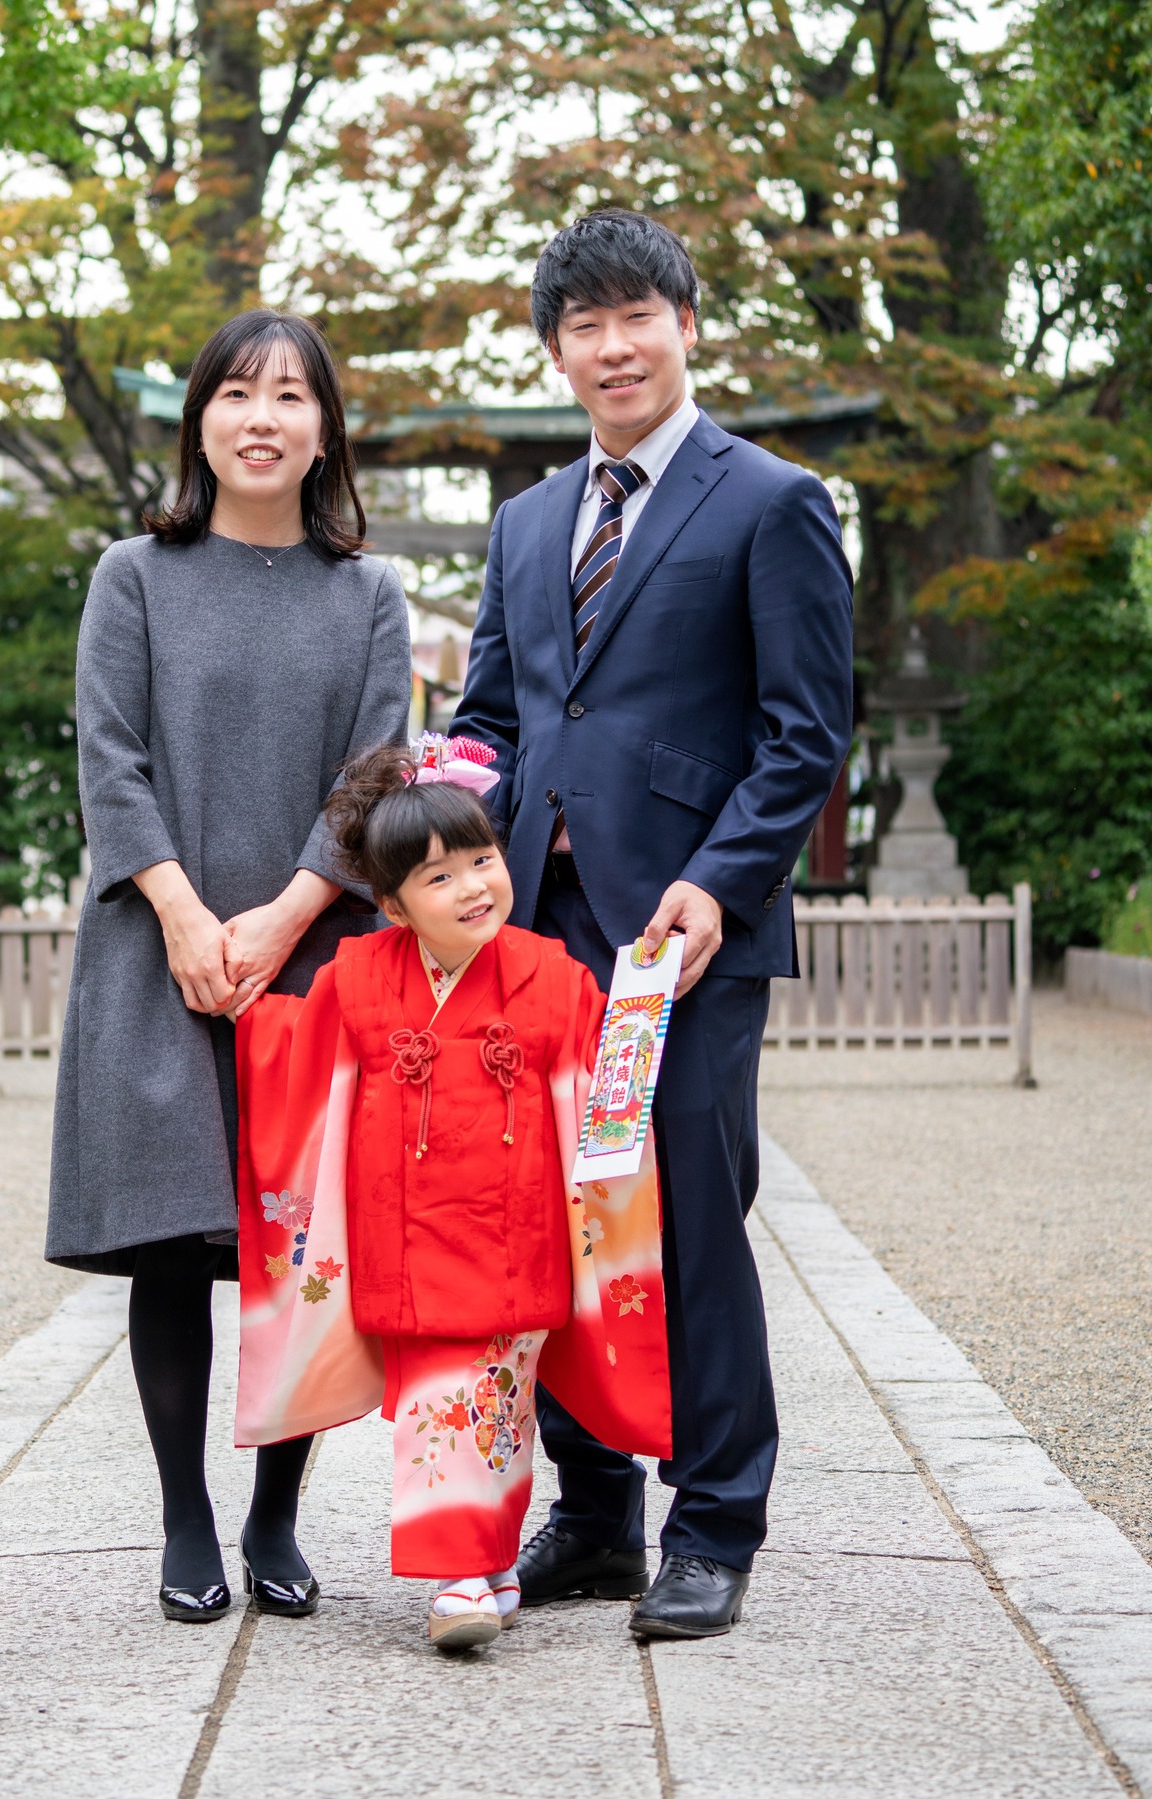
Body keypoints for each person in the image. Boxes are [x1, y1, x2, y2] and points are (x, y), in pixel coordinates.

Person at [452, 209, 854, 1639]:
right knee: (547, 1228)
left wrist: (718, 876)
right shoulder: (524, 523)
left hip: (682, 931)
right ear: (554, 349)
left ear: (687, 321)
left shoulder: (769, 500)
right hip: (537, 924)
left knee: (685, 1222)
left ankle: (716, 1515)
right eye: (582, 324)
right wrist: (443, 828)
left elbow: (803, 731)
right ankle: (595, 1509)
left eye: (637, 314)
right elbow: (494, 715)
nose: (611, 344)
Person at [44, 310, 412, 1625]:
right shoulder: (133, 574)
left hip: (313, 956)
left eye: (291, 396)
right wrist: (191, 918)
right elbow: (112, 760)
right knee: (168, 1235)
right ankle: (184, 1514)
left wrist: (279, 918)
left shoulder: (365, 591)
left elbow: (377, 776)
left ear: (324, 431)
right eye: (237, 393)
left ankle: (274, 1517)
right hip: (160, 949)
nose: (262, 416)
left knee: (296, 1243)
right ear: (199, 419)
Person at [231, 736, 672, 1651]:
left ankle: (474, 1567)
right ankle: (475, 1567)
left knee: (494, 1401)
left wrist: (636, 1013)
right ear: (390, 905)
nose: (474, 886)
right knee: (459, 1400)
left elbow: (605, 1091)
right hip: (410, 1242)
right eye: (439, 879)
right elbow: (297, 1053)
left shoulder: (553, 976)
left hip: (519, 1235)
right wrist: (243, 1014)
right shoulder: (359, 976)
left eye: (482, 860)